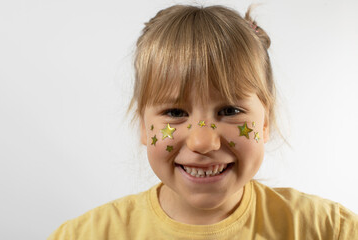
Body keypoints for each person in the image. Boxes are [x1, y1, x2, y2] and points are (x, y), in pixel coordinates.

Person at [48, 4, 358, 239]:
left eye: (230, 111)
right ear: (143, 125)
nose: (203, 142)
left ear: (266, 123)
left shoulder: (328, 230)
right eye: (175, 113)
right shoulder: (88, 234)